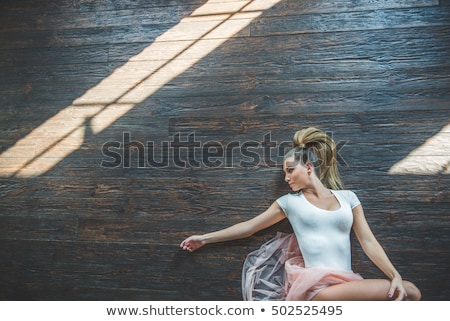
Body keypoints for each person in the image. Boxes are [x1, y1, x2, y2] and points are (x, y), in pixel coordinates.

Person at [180, 127, 421, 301]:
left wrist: (394, 275)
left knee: (409, 290)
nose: (286, 178)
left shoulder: (348, 198)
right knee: (410, 291)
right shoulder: (290, 203)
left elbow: (368, 241)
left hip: (347, 283)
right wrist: (204, 238)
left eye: (289, 170)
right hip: (317, 290)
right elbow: (250, 227)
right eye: (284, 173)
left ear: (308, 167)